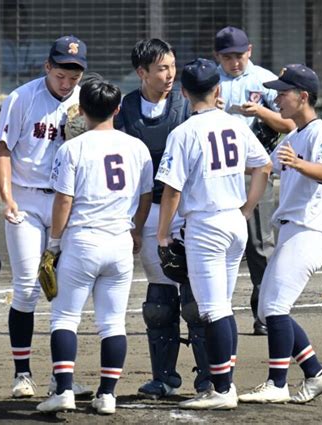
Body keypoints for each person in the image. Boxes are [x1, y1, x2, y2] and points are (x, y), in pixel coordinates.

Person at [156, 58, 272, 410]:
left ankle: (221, 390)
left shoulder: (184, 132)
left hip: (206, 226)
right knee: (223, 306)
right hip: (234, 223)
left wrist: (162, 234)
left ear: (184, 92)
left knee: (213, 309)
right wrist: (248, 209)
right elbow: (263, 166)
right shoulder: (235, 124)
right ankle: (225, 382)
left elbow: (172, 190)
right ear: (217, 89)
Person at [36, 76, 153, 415]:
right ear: (117, 108)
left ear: (81, 110)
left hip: (82, 242)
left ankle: (64, 391)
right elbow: (146, 196)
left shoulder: (72, 148)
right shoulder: (137, 148)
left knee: (64, 318)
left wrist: (54, 244)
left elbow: (63, 202)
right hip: (119, 242)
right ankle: (108, 395)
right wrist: (136, 231)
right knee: (112, 323)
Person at [0, 35, 92, 398]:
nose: (66, 82)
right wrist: (7, 199)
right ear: (47, 66)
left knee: (64, 291)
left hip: (68, 202)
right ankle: (22, 374)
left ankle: (60, 377)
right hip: (27, 199)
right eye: (61, 73)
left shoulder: (87, 102)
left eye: (74, 75)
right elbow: (4, 149)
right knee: (26, 287)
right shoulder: (22, 98)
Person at [115, 39, 211, 397]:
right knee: (159, 302)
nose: (169, 74)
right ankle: (164, 377)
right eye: (161, 68)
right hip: (148, 208)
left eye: (172, 66)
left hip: (185, 207)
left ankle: (207, 377)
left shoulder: (185, 103)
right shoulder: (125, 108)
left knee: (194, 298)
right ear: (142, 72)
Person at [239, 64, 322, 404]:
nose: (277, 98)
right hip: (291, 233)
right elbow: (263, 167)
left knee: (276, 308)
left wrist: (298, 164)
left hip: (307, 232)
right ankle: (315, 372)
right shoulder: (293, 136)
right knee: (268, 310)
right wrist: (245, 205)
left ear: (303, 96)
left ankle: (277, 383)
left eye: (283, 92)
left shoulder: (321, 133)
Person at [214, 26, 296, 335]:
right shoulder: (211, 81)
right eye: (227, 57)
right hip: (220, 173)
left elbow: (289, 124)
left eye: (239, 55)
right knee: (217, 243)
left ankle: (264, 313)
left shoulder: (265, 80)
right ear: (217, 56)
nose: (234, 62)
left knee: (261, 245)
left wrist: (261, 111)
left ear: (249, 50)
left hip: (256, 172)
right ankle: (215, 312)